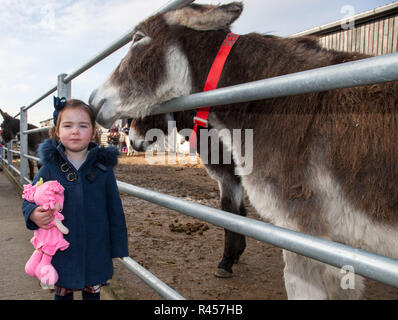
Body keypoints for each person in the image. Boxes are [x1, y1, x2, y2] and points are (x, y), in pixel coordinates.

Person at [21, 98, 129, 300]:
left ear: (93, 131)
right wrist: (33, 214)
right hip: (62, 251)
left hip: (96, 248)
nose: (75, 131)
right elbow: (29, 197)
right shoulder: (49, 168)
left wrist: (119, 244)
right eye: (68, 125)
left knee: (92, 295)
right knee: (62, 294)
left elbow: (115, 209)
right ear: (57, 131)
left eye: (83, 125)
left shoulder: (103, 169)